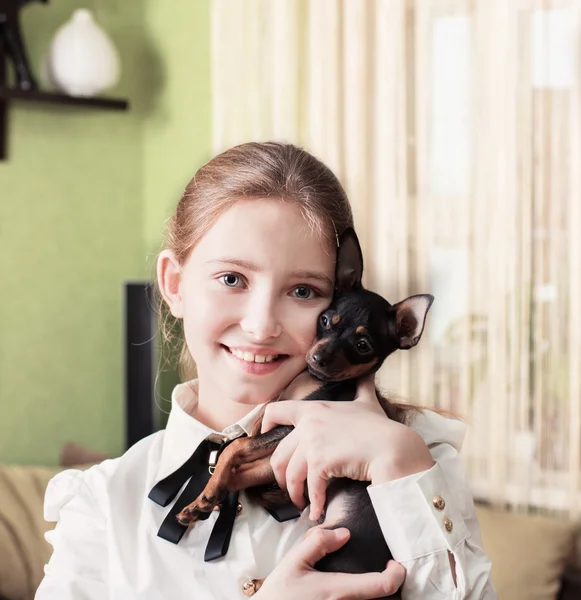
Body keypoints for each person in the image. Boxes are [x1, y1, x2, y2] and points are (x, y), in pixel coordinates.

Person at [36, 142, 496, 599]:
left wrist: (398, 462)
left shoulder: (420, 458)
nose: (260, 326)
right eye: (232, 279)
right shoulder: (101, 505)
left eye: (302, 291)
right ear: (175, 285)